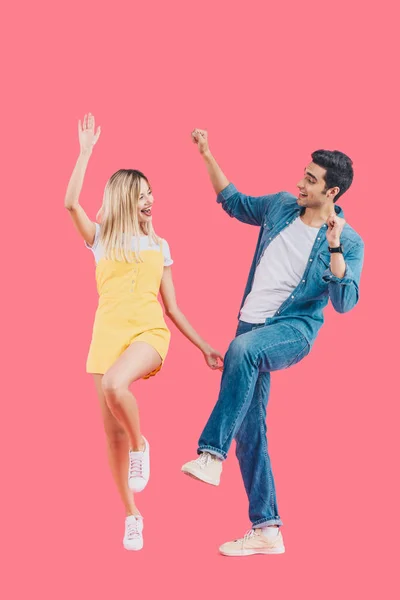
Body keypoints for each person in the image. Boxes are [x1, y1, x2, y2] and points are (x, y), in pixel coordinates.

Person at [182, 129, 364, 557]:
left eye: (311, 180)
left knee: (241, 351)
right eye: (303, 175)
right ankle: (267, 528)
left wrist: (335, 245)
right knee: (250, 431)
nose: (300, 183)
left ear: (332, 191)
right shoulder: (282, 207)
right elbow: (235, 202)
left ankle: (210, 455)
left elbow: (345, 302)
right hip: (250, 327)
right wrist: (208, 154)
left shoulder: (348, 240)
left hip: (292, 331)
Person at [64, 114, 223, 551]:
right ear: (122, 200)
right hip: (106, 336)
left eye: (150, 193)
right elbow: (69, 204)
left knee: (118, 386)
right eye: (140, 196)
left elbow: (171, 308)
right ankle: (133, 515)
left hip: (149, 333)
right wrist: (85, 152)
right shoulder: (100, 238)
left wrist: (205, 346)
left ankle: (143, 444)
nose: (150, 200)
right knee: (110, 436)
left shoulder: (159, 244)